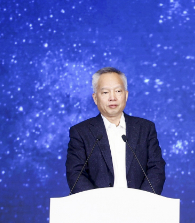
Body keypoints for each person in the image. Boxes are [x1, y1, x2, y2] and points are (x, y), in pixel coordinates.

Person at [65, 67, 166, 195]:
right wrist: (98, 203)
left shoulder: (145, 128)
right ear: (95, 98)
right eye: (105, 92)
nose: (112, 97)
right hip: (97, 205)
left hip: (139, 204)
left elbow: (156, 168)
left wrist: (141, 201)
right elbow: (76, 173)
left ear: (126, 95)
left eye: (118, 91)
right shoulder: (80, 132)